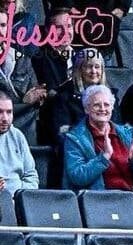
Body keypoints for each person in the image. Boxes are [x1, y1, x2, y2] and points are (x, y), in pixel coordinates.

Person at [62, 83, 133, 190]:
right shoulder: (75, 138)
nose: (102, 109)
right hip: (99, 198)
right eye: (96, 105)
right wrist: (104, 157)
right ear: (86, 109)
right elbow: (77, 176)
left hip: (131, 197)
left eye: (106, 105)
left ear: (112, 107)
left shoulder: (127, 134)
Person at [42, 48, 116, 145]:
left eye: (97, 67)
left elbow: (117, 127)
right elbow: (62, 134)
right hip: (78, 147)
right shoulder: (63, 97)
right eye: (89, 67)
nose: (93, 71)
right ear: (79, 69)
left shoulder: (111, 95)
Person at [0, 6, 48, 144]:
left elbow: (36, 95)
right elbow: (28, 101)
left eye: (3, 25)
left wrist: (38, 97)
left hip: (24, 136)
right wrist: (24, 103)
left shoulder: (22, 59)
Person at [0, 90, 39, 192]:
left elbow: (31, 176)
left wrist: (20, 195)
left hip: (18, 197)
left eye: (9, 112)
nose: (5, 118)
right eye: (0, 112)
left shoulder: (17, 136)